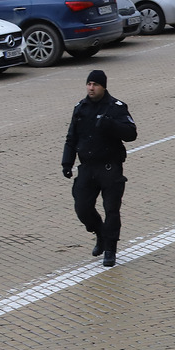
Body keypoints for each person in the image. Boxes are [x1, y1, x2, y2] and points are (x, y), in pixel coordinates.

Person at [61, 70, 137, 268]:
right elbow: (72, 138)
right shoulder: (81, 108)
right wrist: (66, 163)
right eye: (89, 84)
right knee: (82, 207)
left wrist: (110, 124)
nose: (91, 88)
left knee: (111, 209)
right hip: (87, 167)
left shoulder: (116, 107)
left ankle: (110, 249)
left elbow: (131, 133)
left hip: (109, 167)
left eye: (95, 84)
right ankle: (99, 232)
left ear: (103, 86)